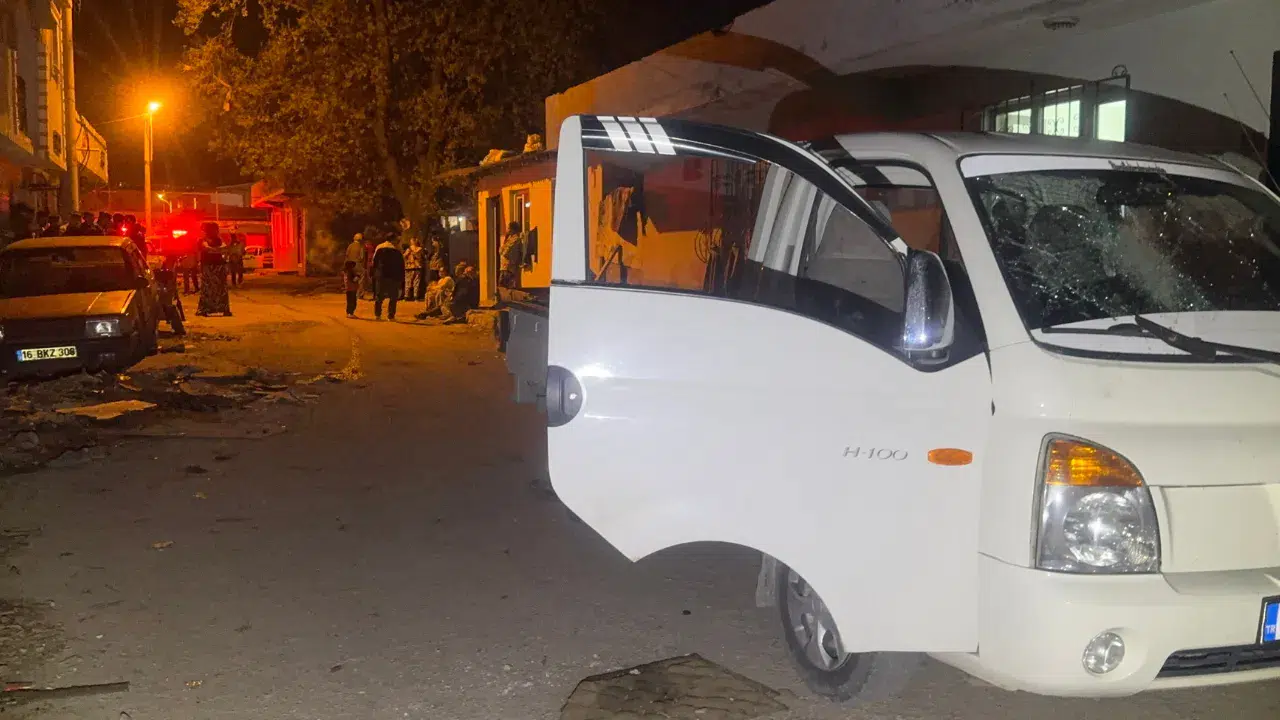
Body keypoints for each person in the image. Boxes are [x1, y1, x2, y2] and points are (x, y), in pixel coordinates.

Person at [196, 222, 231, 317]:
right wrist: (217, 250)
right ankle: (206, 309)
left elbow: (224, 248)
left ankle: (222, 308)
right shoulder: (202, 240)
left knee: (221, 288)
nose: (216, 231)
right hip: (208, 266)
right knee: (208, 288)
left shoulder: (219, 240)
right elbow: (206, 248)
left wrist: (215, 250)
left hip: (219, 266)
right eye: (214, 229)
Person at [371, 235, 405, 321]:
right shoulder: (397, 250)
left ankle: (378, 315)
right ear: (393, 240)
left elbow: (374, 262)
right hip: (393, 276)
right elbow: (401, 265)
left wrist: (375, 273)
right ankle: (391, 316)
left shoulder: (379, 248)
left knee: (379, 295)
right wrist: (401, 278)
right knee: (393, 296)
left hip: (381, 275)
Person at [499, 221, 525, 289]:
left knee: (504, 287)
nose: (507, 230)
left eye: (508, 228)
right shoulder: (510, 239)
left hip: (508, 267)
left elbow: (504, 252)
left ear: (512, 229)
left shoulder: (514, 240)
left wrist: (503, 247)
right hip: (506, 267)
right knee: (504, 287)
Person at [403, 236, 425, 301]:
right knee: (415, 283)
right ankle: (414, 297)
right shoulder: (419, 249)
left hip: (411, 267)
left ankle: (408, 296)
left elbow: (404, 256)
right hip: (416, 267)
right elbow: (423, 257)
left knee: (409, 282)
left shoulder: (410, 249)